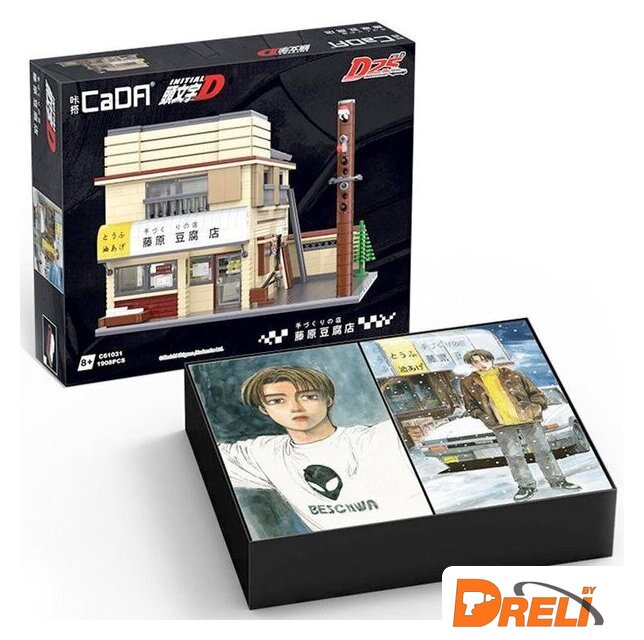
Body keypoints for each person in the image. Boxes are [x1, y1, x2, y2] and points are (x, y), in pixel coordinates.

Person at [217, 365, 431, 533]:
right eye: (277, 401)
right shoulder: (264, 454)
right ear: (264, 409)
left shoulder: (372, 439)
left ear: (328, 400)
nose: (295, 408)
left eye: (308, 397)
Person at [460, 349, 581, 502]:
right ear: (471, 364)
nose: (481, 364)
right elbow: (470, 406)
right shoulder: (468, 382)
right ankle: (526, 486)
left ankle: (558, 481)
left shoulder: (513, 374)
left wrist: (535, 408)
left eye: (484, 360)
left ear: (491, 359)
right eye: (476, 362)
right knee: (513, 456)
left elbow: (536, 394)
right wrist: (483, 416)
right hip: (500, 424)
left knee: (543, 451)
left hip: (528, 419)